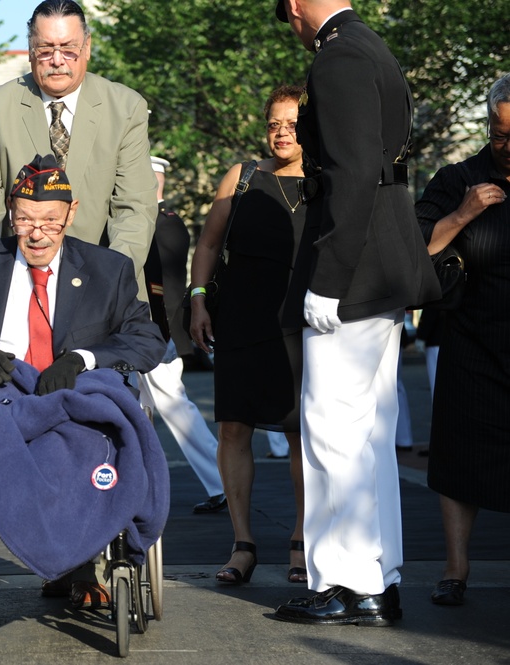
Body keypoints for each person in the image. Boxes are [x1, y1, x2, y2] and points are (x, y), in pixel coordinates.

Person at [0, 153, 166, 608]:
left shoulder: (108, 270)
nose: (37, 232)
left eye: (50, 219)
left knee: (91, 441)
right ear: (11, 213)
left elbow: (146, 341)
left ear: (72, 212)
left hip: (68, 398)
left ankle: (80, 557)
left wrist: (83, 358)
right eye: (25, 219)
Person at [273, 0, 440, 626]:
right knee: (370, 433)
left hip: (356, 268)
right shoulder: (372, 45)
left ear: (294, 7)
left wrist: (329, 279)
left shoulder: (338, 55)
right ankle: (378, 578)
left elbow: (351, 176)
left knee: (333, 431)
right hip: (386, 264)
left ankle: (343, 583)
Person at [0, 0, 157, 301]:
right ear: (30, 51)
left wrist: (109, 281)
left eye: (69, 48)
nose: (58, 60)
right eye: (46, 49)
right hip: (20, 289)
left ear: (87, 48)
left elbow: (133, 210)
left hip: (105, 286)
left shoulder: (127, 108)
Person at [188, 84, 308, 586]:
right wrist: (197, 298)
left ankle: (302, 543)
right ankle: (243, 545)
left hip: (300, 322)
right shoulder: (241, 177)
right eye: (274, 123)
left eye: (293, 124)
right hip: (240, 317)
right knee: (234, 428)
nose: (281, 132)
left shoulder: (327, 180)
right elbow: (210, 243)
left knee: (302, 432)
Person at [415, 73, 510, 607]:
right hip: (473, 338)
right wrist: (463, 214)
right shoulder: (459, 178)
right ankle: (455, 567)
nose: (509, 148)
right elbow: (413, 248)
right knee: (459, 456)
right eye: (500, 136)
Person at [137, 156, 225, 514]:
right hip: (148, 329)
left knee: (175, 407)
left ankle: (222, 481)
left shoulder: (162, 223)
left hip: (156, 330)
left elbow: (162, 283)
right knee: (144, 408)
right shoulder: (156, 221)